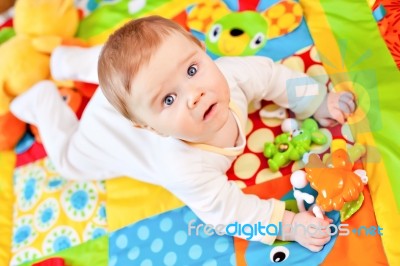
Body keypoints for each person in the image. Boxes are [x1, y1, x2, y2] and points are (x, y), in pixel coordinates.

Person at [11, 15, 355, 252]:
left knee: (124, 61)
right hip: (102, 132)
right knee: (69, 162)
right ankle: (43, 101)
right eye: (169, 99)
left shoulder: (230, 75)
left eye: (192, 69)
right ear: (147, 127)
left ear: (201, 49)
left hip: (132, 91)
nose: (195, 95)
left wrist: (318, 100)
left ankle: (66, 61)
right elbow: (228, 212)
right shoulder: (184, 167)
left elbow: (273, 76)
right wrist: (289, 225)